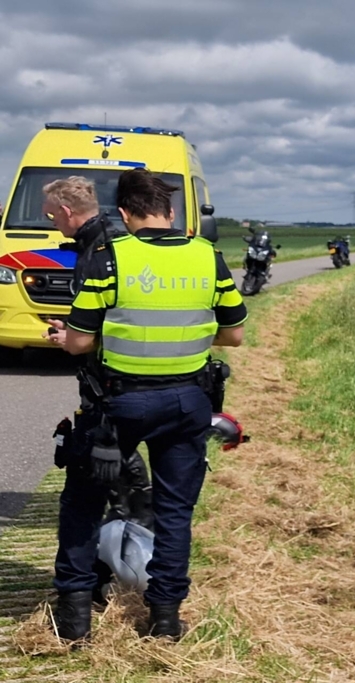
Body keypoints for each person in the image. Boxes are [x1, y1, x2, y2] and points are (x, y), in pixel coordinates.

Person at [45, 169, 247, 643]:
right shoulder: (208, 257)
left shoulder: (109, 256)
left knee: (82, 503)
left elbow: (78, 343)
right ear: (171, 212)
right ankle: (165, 622)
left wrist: (63, 337)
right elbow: (234, 334)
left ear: (123, 213)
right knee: (175, 511)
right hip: (188, 401)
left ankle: (74, 622)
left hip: (118, 404)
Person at [41, 178, 155, 594]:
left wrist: (70, 339)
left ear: (67, 212)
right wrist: (71, 329)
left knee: (92, 482)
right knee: (115, 470)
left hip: (109, 379)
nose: (50, 221)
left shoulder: (101, 249)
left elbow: (111, 320)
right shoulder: (106, 240)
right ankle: (123, 558)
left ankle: (100, 578)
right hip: (113, 375)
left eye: (51, 214)